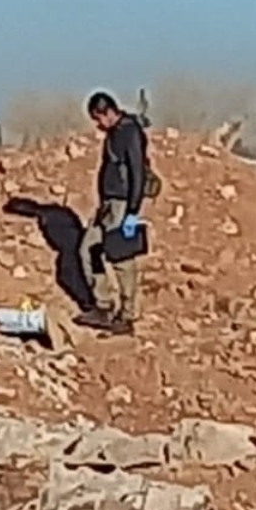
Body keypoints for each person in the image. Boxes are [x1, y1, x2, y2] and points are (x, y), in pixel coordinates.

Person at [77, 91, 151, 335]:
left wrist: (132, 212)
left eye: (98, 119)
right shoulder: (114, 133)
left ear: (107, 112)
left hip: (122, 204)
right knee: (88, 249)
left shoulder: (130, 132)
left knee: (121, 259)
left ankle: (127, 316)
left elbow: (138, 173)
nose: (97, 125)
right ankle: (103, 305)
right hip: (107, 205)